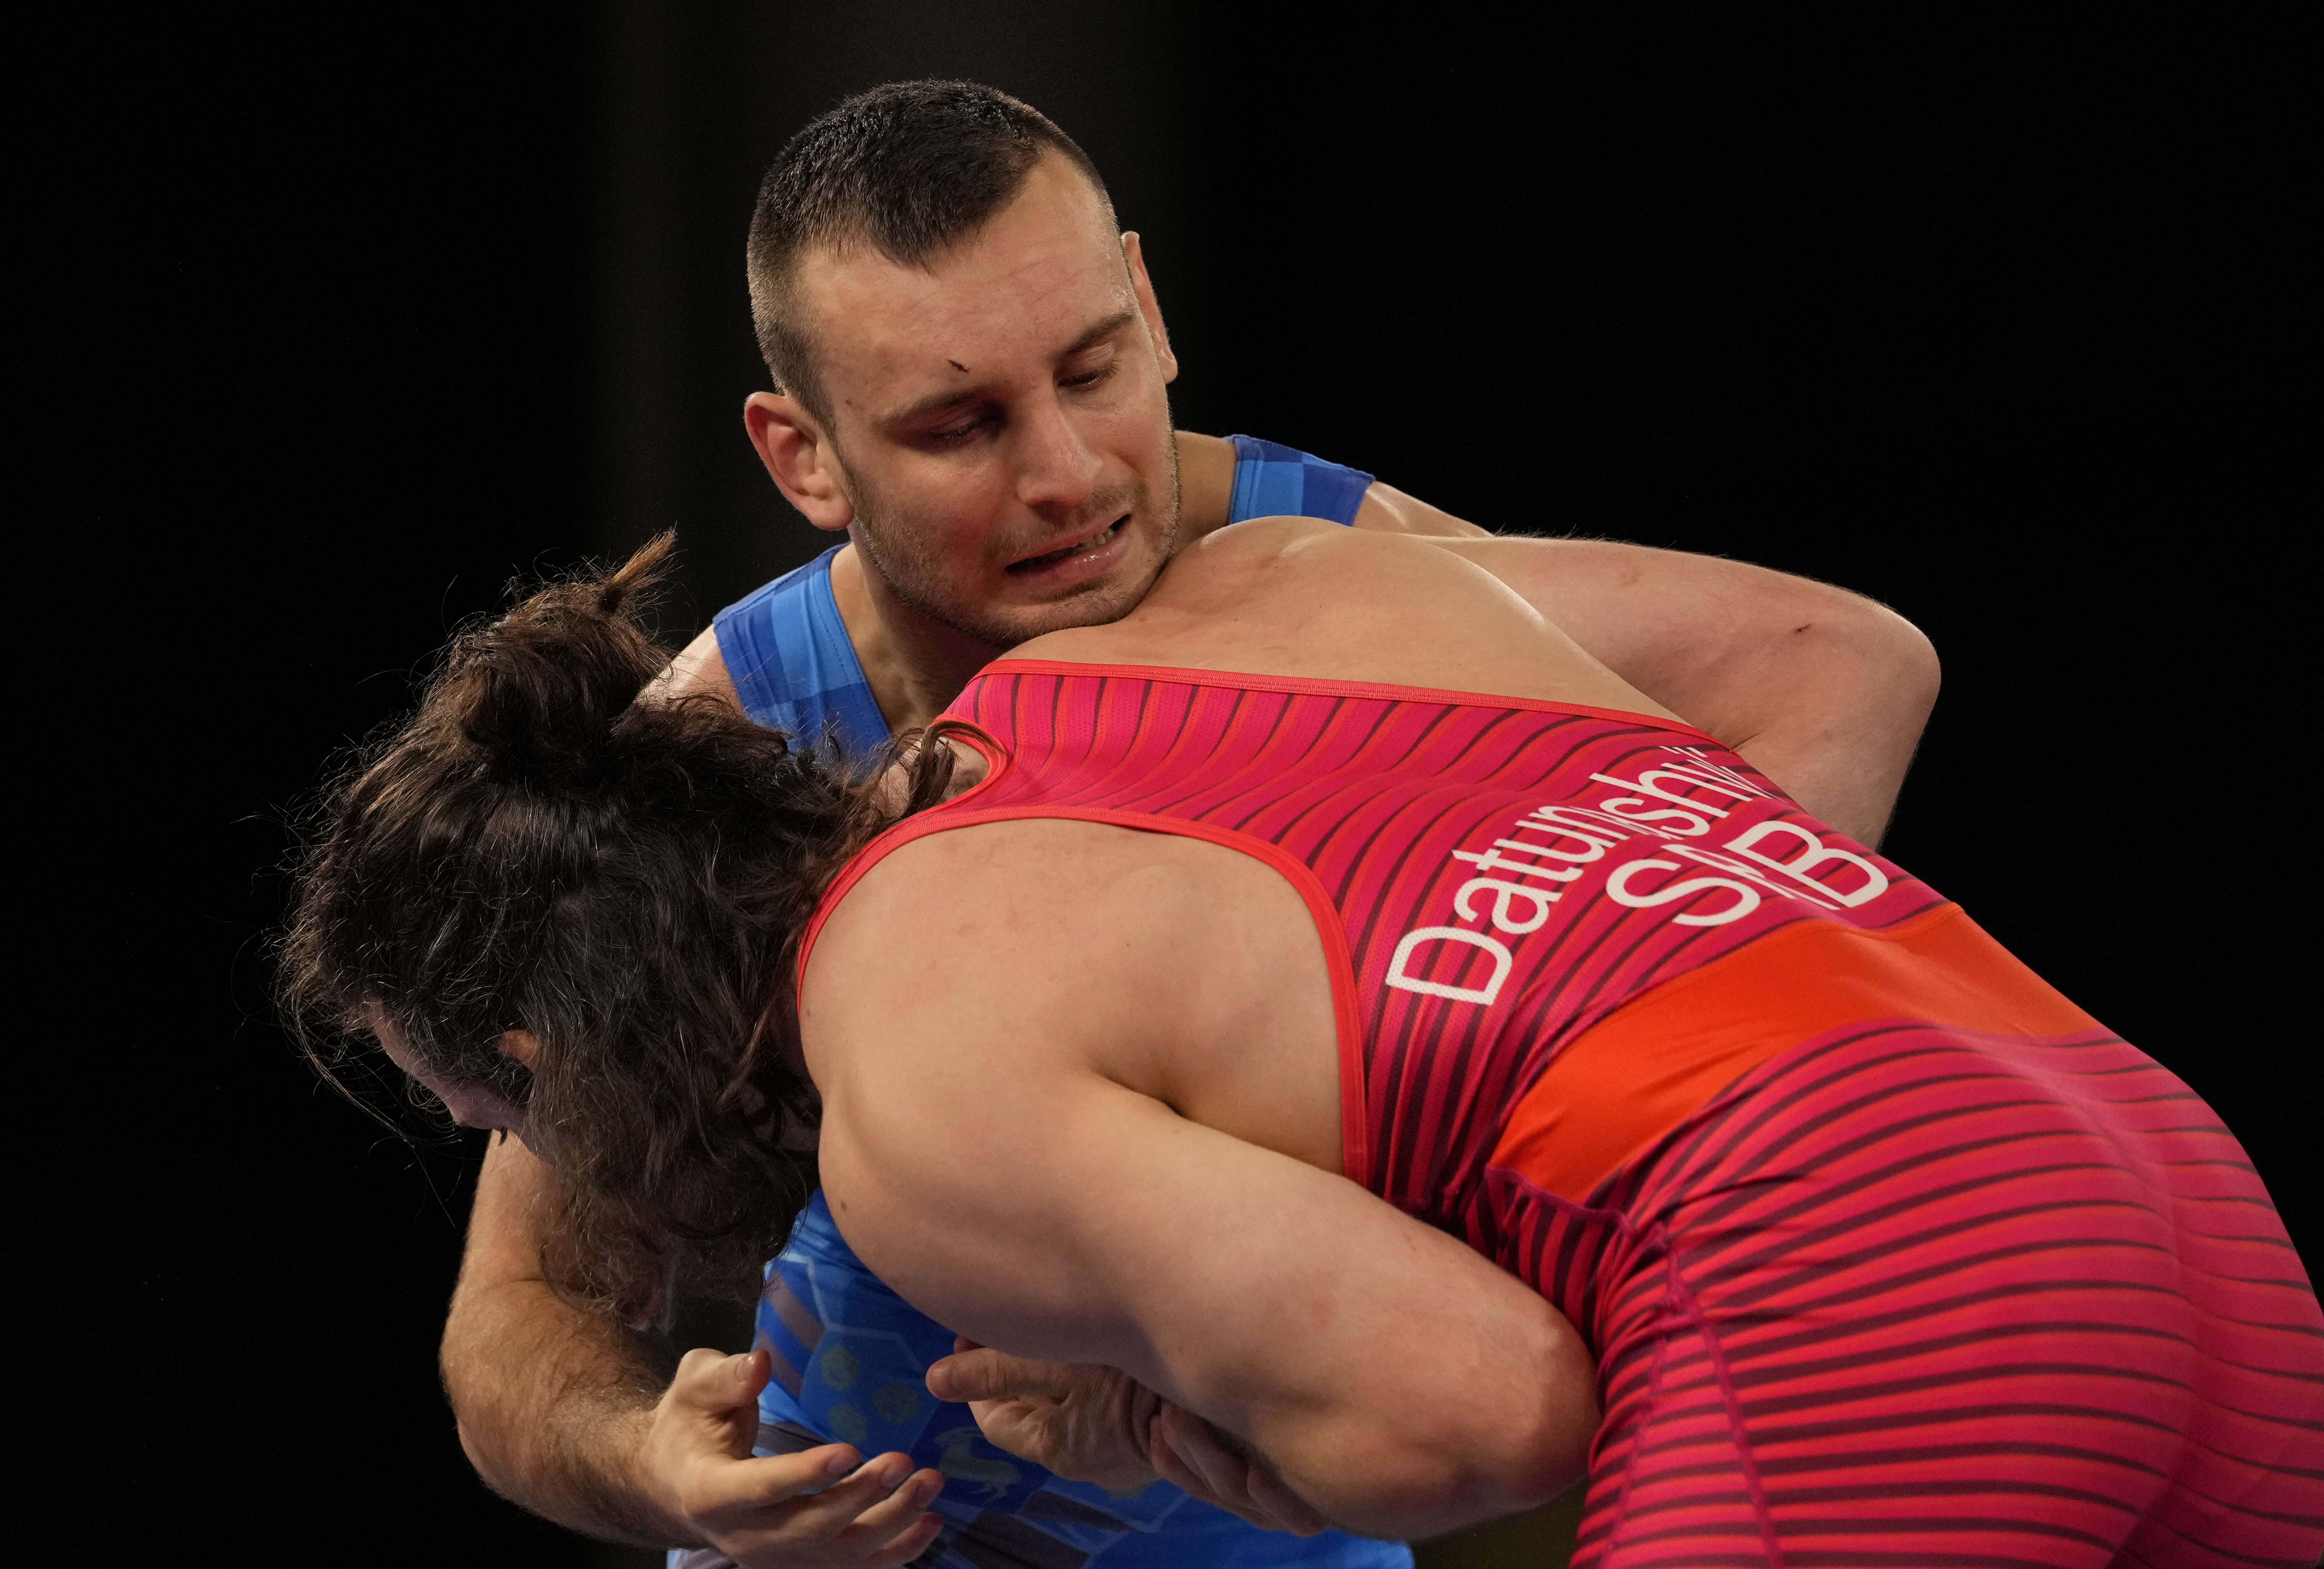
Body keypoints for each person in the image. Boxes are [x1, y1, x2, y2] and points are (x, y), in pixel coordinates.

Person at [432, 81, 1945, 1568]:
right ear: (803, 457)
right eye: (961, 426)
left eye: (1092, 372)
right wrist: (654, 1469)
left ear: (1151, 311)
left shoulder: (1371, 584)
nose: (1069, 478)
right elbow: (515, 1309)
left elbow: (1836, 678)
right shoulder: (724, 743)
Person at [288, 516, 2324, 1564]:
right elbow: (1838, 653)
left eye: (471, 1106)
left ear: (551, 1064)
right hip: (2168, 1172)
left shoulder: (915, 1094)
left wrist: (1171, 1433)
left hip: (1875, 1294)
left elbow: (1487, 1422)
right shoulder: (1247, 586)